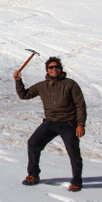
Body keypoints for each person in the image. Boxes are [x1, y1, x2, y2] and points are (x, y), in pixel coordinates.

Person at [13, 56, 87, 192]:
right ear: (47, 70)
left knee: (73, 152)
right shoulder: (42, 86)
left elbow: (80, 104)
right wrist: (18, 81)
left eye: (56, 67)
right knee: (33, 143)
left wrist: (80, 124)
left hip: (68, 123)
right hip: (50, 123)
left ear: (61, 69)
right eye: (51, 67)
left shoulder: (70, 84)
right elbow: (24, 95)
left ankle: (77, 181)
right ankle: (33, 175)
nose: (54, 69)